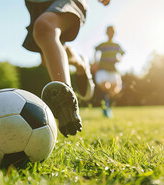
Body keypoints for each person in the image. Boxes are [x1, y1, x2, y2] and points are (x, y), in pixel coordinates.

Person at [22, 0, 111, 137]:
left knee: (45, 27)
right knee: (47, 60)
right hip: (36, 4)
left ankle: (66, 100)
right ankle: (78, 62)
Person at [94, 25, 124, 118]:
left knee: (113, 90)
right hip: (103, 70)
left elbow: (122, 54)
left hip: (113, 70)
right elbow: (95, 51)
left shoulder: (117, 46)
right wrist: (95, 62)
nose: (110, 34)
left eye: (112, 32)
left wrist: (119, 59)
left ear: (114, 34)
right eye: (109, 32)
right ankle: (105, 107)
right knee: (105, 86)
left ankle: (108, 106)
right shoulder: (103, 45)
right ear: (107, 33)